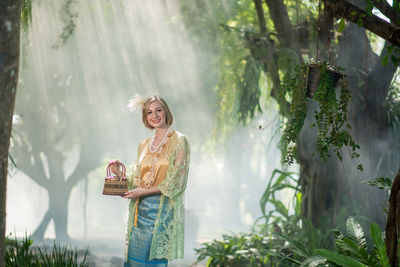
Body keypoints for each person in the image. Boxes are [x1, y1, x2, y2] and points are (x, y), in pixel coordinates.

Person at [109, 95, 190, 267]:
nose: (154, 115)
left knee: (153, 262)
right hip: (139, 214)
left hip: (160, 213)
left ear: (166, 111)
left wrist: (144, 192)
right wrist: (118, 171)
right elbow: (137, 178)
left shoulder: (180, 141)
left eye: (158, 110)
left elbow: (178, 181)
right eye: (149, 113)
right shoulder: (144, 144)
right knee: (134, 260)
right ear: (145, 118)